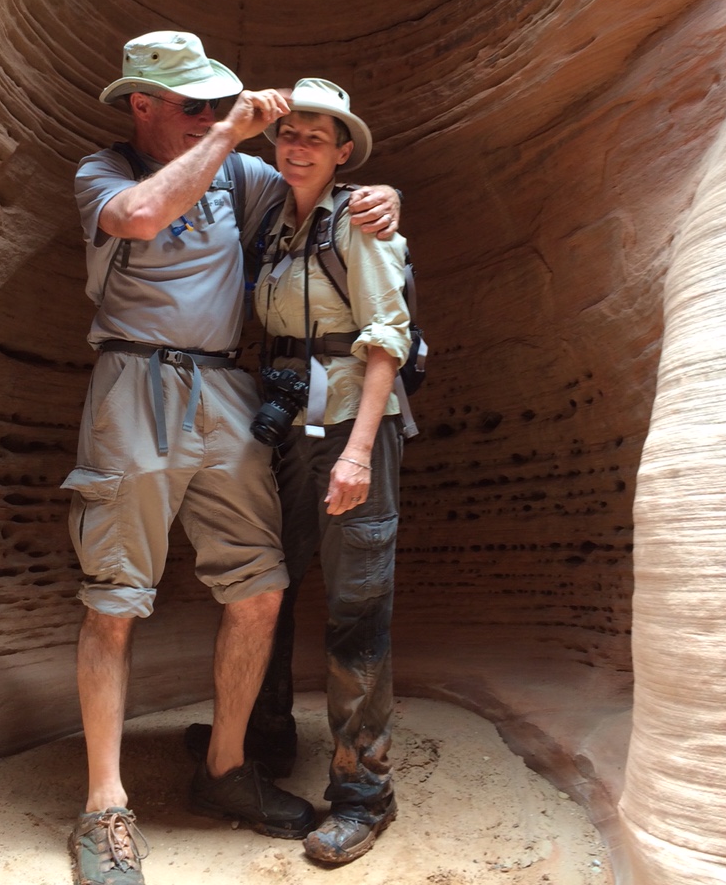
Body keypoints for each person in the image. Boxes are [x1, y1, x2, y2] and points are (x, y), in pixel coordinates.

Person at [63, 33, 400, 885]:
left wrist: (380, 196)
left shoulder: (244, 175)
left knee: (260, 590)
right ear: (143, 104)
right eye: (193, 105)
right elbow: (141, 217)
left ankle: (224, 771)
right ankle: (105, 807)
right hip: (134, 380)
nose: (211, 116)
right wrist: (227, 133)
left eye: (217, 104)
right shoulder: (104, 172)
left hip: (224, 387)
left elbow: (315, 187)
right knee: (114, 599)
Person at [252, 78, 412, 865]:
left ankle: (362, 794)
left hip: (353, 428)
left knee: (357, 608)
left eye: (317, 137)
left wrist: (356, 452)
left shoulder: (361, 220)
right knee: (270, 589)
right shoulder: (272, 222)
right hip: (290, 429)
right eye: (291, 133)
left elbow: (388, 338)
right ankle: (267, 740)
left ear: (343, 151)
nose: (299, 146)